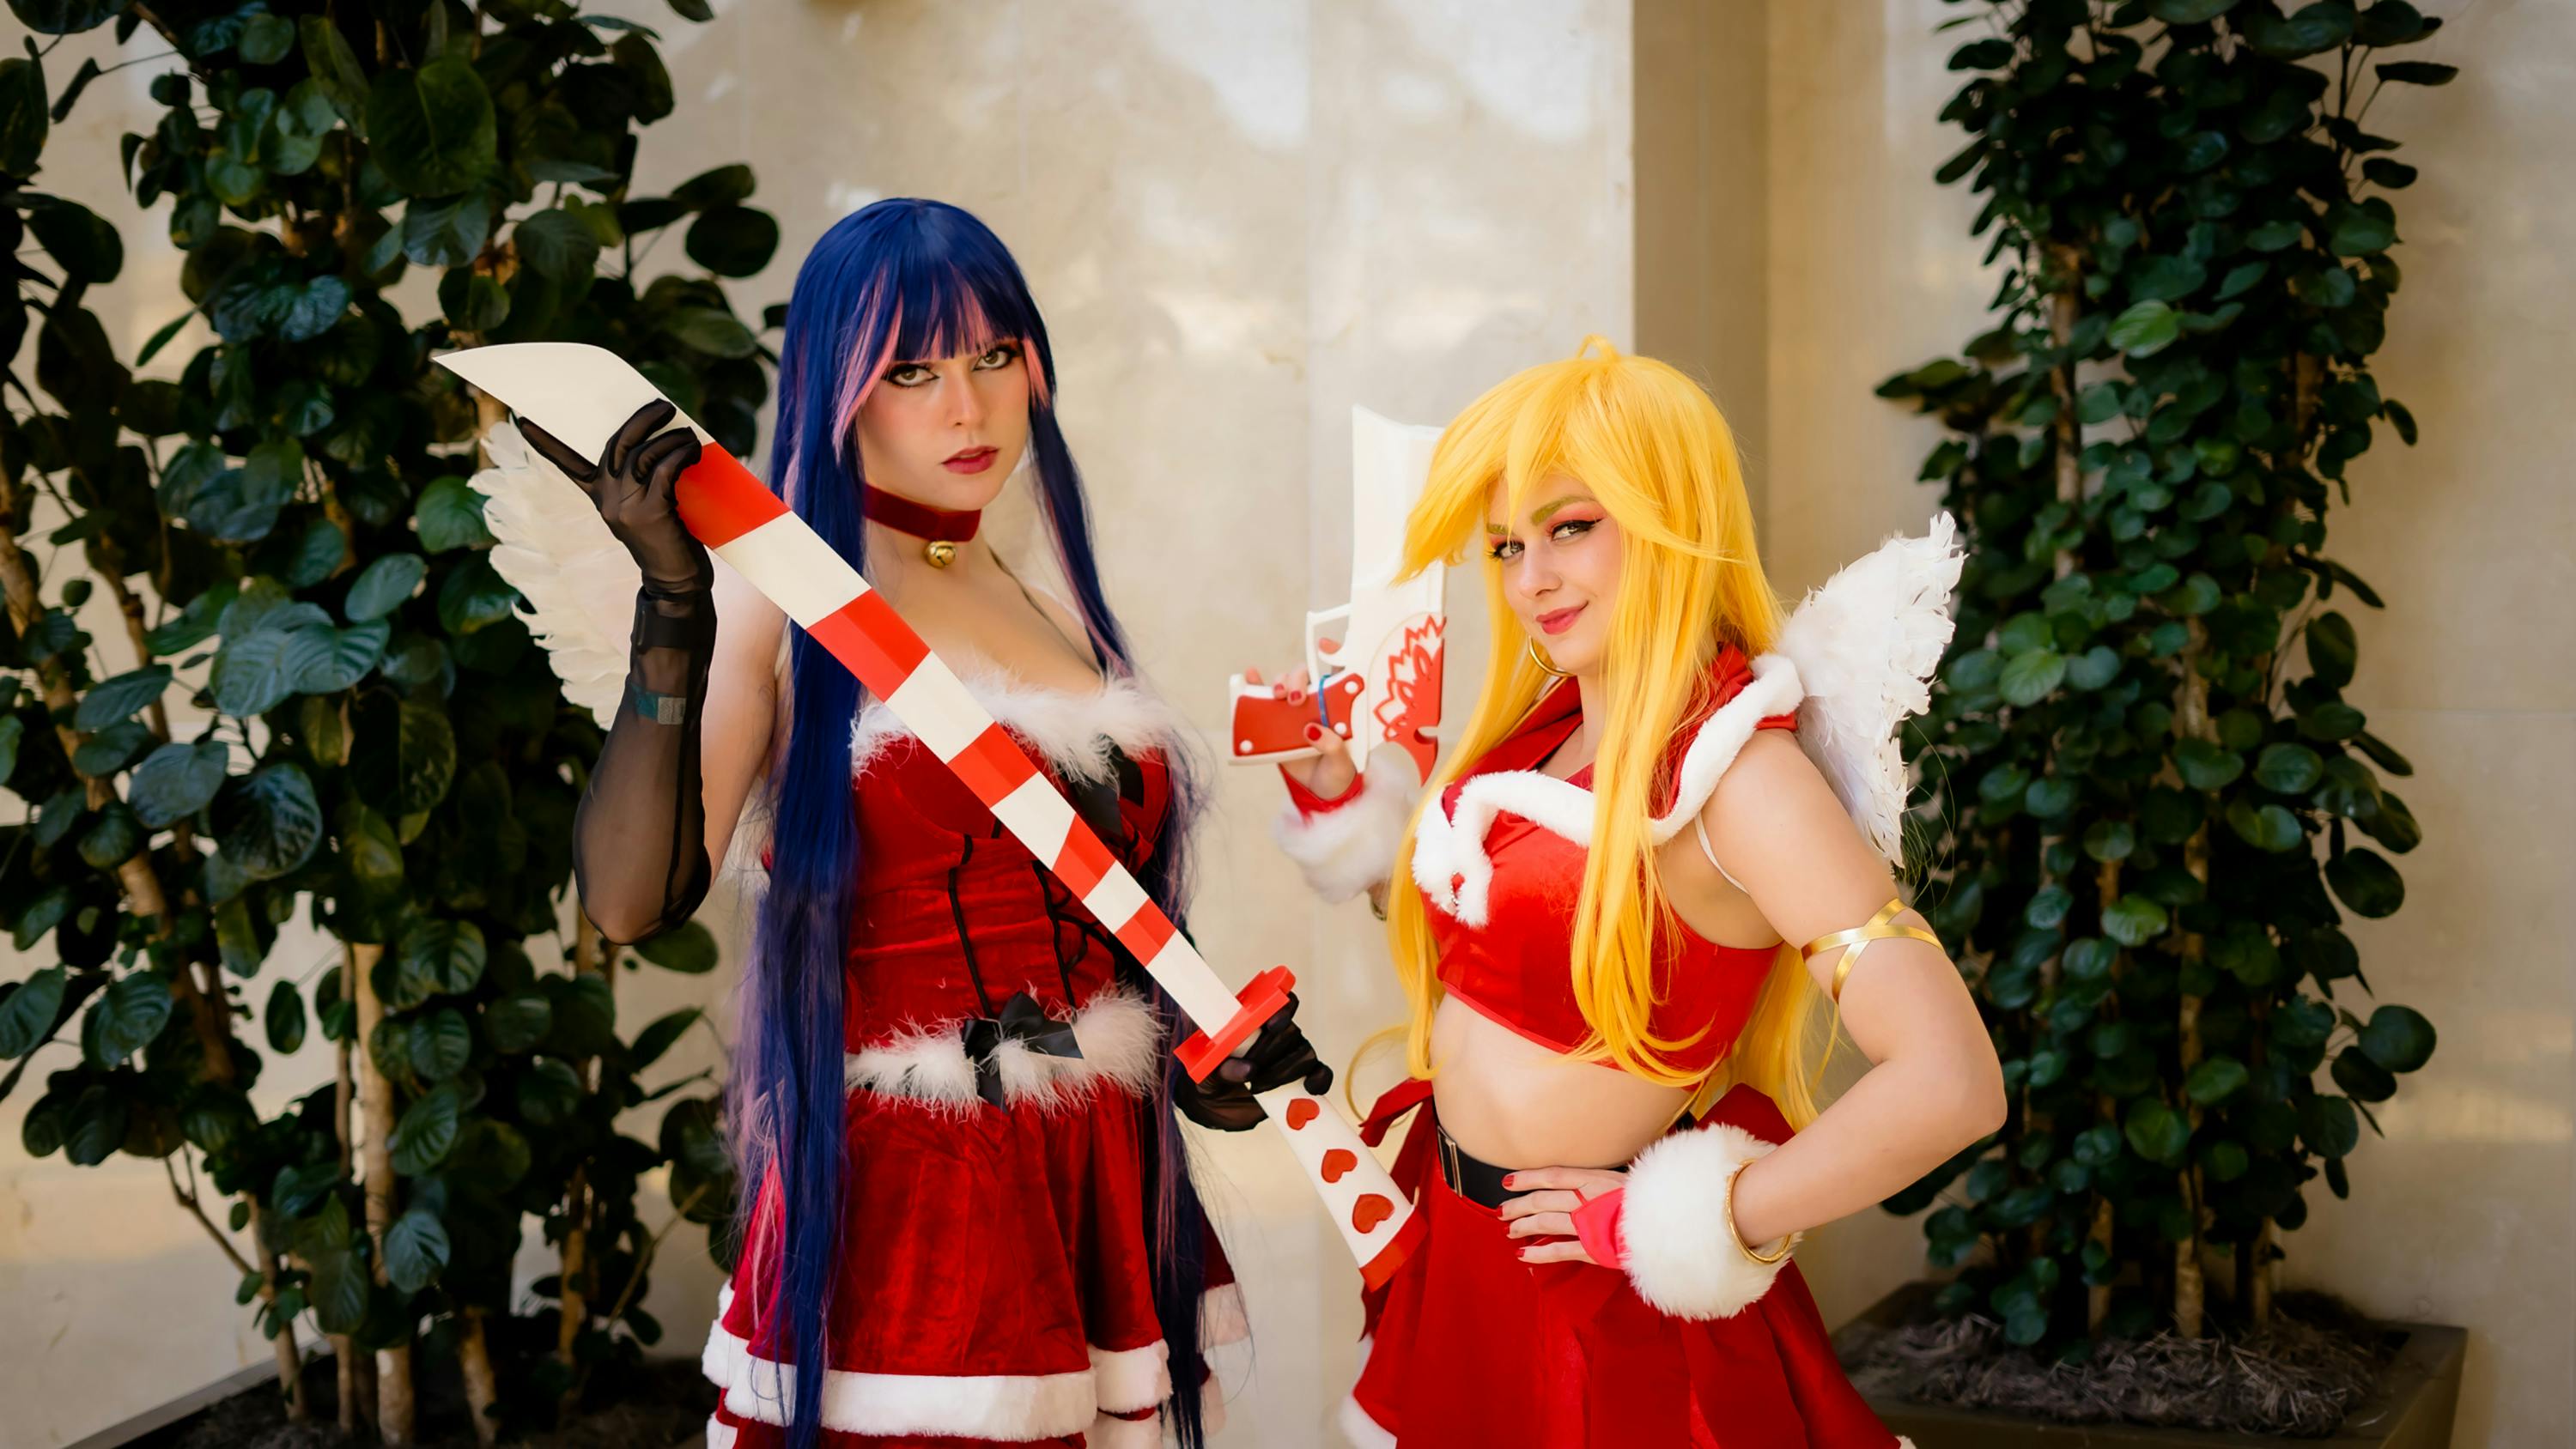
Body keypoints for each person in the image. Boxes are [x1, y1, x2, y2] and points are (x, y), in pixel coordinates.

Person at [507, 198, 1329, 1449]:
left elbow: (1102, 931)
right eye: (914, 369)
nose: (969, 407)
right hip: (910, 1204)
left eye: (995, 356)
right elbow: (629, 903)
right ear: (843, 389)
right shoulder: (777, 594)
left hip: (1095, 1185)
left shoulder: (1045, 600)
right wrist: (672, 601)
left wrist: (1204, 1056)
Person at [1256, 338, 1999, 1446]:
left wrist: (1697, 1221)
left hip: (1607, 1313)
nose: (1529, 580)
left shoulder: (1740, 777)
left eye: (1571, 527)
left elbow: (1953, 1083)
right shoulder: (1539, 737)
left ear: (1667, 516)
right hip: (1461, 1265)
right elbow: (1510, 949)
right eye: (1507, 545)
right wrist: (1349, 822)